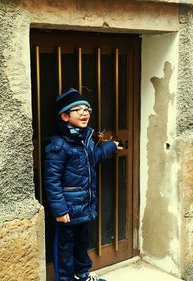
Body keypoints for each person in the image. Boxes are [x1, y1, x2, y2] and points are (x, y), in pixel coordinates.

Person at [44, 88, 120, 281]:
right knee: (64, 248)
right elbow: (52, 180)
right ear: (64, 116)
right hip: (67, 210)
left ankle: (82, 275)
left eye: (87, 109)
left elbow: (92, 158)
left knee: (82, 243)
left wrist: (110, 146)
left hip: (84, 205)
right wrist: (60, 210)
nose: (84, 113)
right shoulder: (58, 144)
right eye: (77, 110)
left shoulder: (84, 138)